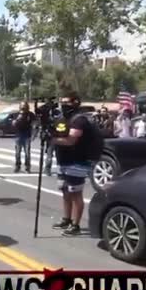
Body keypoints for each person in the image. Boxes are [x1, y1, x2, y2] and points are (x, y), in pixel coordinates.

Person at [51, 93, 101, 236]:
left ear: (76, 103)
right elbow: (59, 133)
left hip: (78, 161)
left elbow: (70, 140)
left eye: (66, 102)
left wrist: (52, 139)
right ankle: (66, 219)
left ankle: (75, 225)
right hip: (63, 160)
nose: (63, 105)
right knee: (65, 191)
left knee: (75, 193)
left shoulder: (79, 120)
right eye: (62, 102)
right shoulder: (62, 119)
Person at [12, 102, 36, 173]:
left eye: (24, 106)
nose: (23, 108)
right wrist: (18, 118)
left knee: (27, 153)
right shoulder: (16, 114)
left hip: (27, 135)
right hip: (18, 135)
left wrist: (34, 134)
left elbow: (34, 124)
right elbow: (13, 124)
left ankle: (27, 167)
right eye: (22, 106)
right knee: (17, 152)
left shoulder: (30, 114)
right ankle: (17, 166)